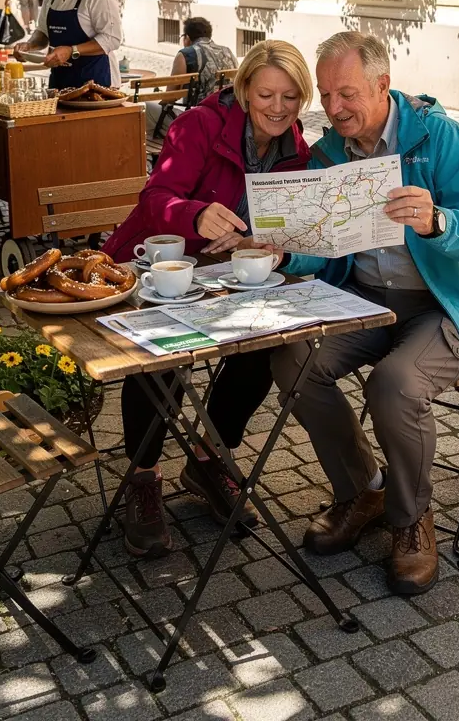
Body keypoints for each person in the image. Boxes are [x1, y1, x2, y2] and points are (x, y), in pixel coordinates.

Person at [266, 32, 459, 596]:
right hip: (362, 298)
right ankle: (363, 490)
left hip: (445, 303)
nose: (333, 109)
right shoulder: (332, 149)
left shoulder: (440, 137)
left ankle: (411, 519)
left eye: (346, 94)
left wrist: (439, 223)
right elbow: (328, 240)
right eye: (326, 96)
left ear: (383, 86)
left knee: (396, 384)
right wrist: (287, 250)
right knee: (292, 359)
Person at [101, 40, 314, 558]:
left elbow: (284, 224)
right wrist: (195, 215)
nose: (278, 107)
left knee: (267, 345)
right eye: (266, 94)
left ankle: (206, 458)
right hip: (163, 266)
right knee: (162, 360)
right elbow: (155, 200)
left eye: (290, 96)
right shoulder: (199, 125)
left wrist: (266, 243)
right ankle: (144, 479)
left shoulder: (298, 149)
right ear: (245, 90)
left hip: (229, 275)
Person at [146, 17, 237, 143]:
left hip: (197, 122)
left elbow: (169, 97)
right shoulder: (228, 52)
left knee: (146, 109)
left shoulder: (186, 54)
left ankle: (156, 153)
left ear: (187, 37)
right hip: (227, 119)